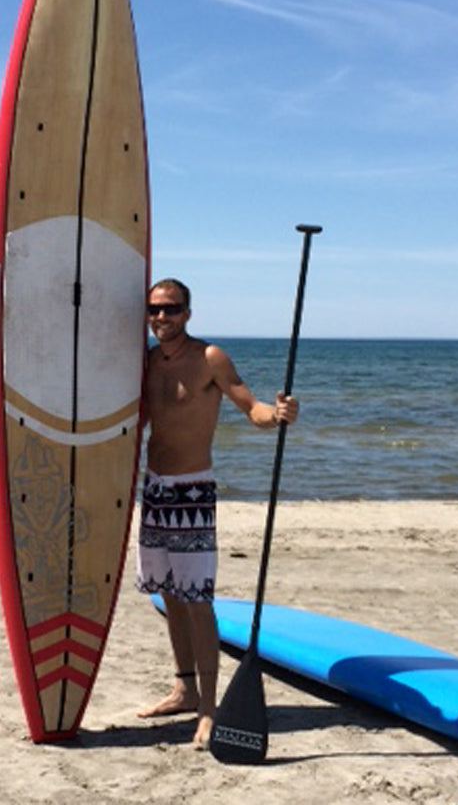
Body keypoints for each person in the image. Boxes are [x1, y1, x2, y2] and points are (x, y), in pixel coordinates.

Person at [135, 278, 298, 748]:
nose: (161, 317)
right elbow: (138, 419)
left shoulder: (210, 358)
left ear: (188, 313)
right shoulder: (146, 361)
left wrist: (280, 413)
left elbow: (251, 409)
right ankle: (184, 689)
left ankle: (209, 706)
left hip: (192, 492)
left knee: (196, 598)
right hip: (155, 487)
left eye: (170, 309)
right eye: (154, 310)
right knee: (168, 594)